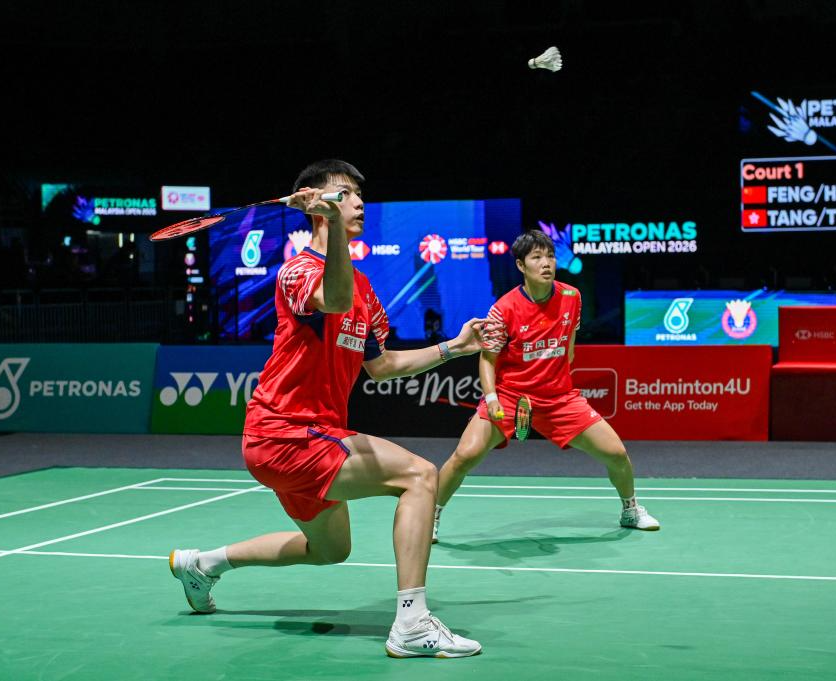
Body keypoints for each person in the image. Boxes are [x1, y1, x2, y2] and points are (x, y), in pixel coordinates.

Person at [169, 160, 501, 659]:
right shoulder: (298, 271)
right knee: (419, 476)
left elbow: (382, 366)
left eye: (360, 195)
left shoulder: (363, 288)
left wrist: (454, 347)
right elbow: (334, 298)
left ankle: (203, 564)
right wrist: (330, 230)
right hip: (285, 432)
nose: (360, 202)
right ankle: (412, 624)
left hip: (310, 436)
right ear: (317, 204)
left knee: (330, 550)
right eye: (345, 194)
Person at [433, 229, 659, 544]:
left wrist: (558, 383)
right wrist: (492, 397)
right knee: (464, 455)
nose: (546, 263)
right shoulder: (503, 309)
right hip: (510, 397)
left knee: (617, 453)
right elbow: (487, 359)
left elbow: (569, 347)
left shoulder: (571, 297)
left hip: (559, 398)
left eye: (550, 256)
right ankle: (430, 516)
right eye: (537, 257)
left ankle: (630, 510)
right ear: (521, 265)